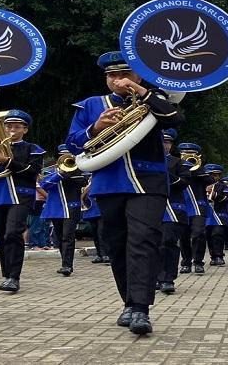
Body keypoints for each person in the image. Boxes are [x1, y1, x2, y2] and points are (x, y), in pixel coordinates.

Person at [65, 50, 182, 335]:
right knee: (117, 245)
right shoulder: (92, 105)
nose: (118, 81)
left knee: (143, 241)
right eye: (112, 76)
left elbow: (175, 118)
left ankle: (141, 308)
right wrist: (95, 128)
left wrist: (142, 91)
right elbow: (72, 143)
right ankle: (128, 303)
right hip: (109, 182)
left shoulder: (155, 100)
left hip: (148, 182)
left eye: (125, 75)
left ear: (138, 75)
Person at [0, 110, 46, 293]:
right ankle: (7, 275)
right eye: (8, 126)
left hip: (20, 194)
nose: (11, 130)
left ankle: (14, 277)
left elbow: (33, 171)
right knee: (1, 237)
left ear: (25, 130)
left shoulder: (32, 148)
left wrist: (6, 160)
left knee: (12, 233)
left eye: (17, 127)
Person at [41, 144, 88, 276]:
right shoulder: (51, 173)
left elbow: (84, 182)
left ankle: (67, 265)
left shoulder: (78, 171)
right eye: (63, 156)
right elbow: (44, 185)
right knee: (59, 238)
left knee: (68, 236)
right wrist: (60, 174)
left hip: (71, 208)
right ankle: (64, 262)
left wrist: (73, 172)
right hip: (56, 209)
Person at [157, 129, 190, 293]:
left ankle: (167, 278)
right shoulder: (145, 161)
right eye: (162, 141)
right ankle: (154, 277)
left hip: (171, 210)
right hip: (149, 208)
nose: (164, 145)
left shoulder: (179, 163)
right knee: (150, 244)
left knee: (167, 242)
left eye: (167, 142)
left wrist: (163, 171)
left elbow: (184, 182)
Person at [179, 143, 208, 275]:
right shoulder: (176, 166)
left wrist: (197, 169)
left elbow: (210, 180)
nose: (188, 157)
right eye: (185, 154)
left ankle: (198, 262)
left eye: (192, 154)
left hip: (198, 205)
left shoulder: (200, 170)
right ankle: (186, 262)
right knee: (183, 235)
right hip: (182, 205)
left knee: (198, 233)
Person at [204, 164, 228, 267]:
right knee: (208, 236)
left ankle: (219, 256)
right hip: (206, 215)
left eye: (216, 175)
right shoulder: (201, 185)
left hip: (219, 215)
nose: (213, 177)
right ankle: (213, 256)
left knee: (217, 234)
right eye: (211, 175)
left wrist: (214, 194)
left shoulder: (223, 186)